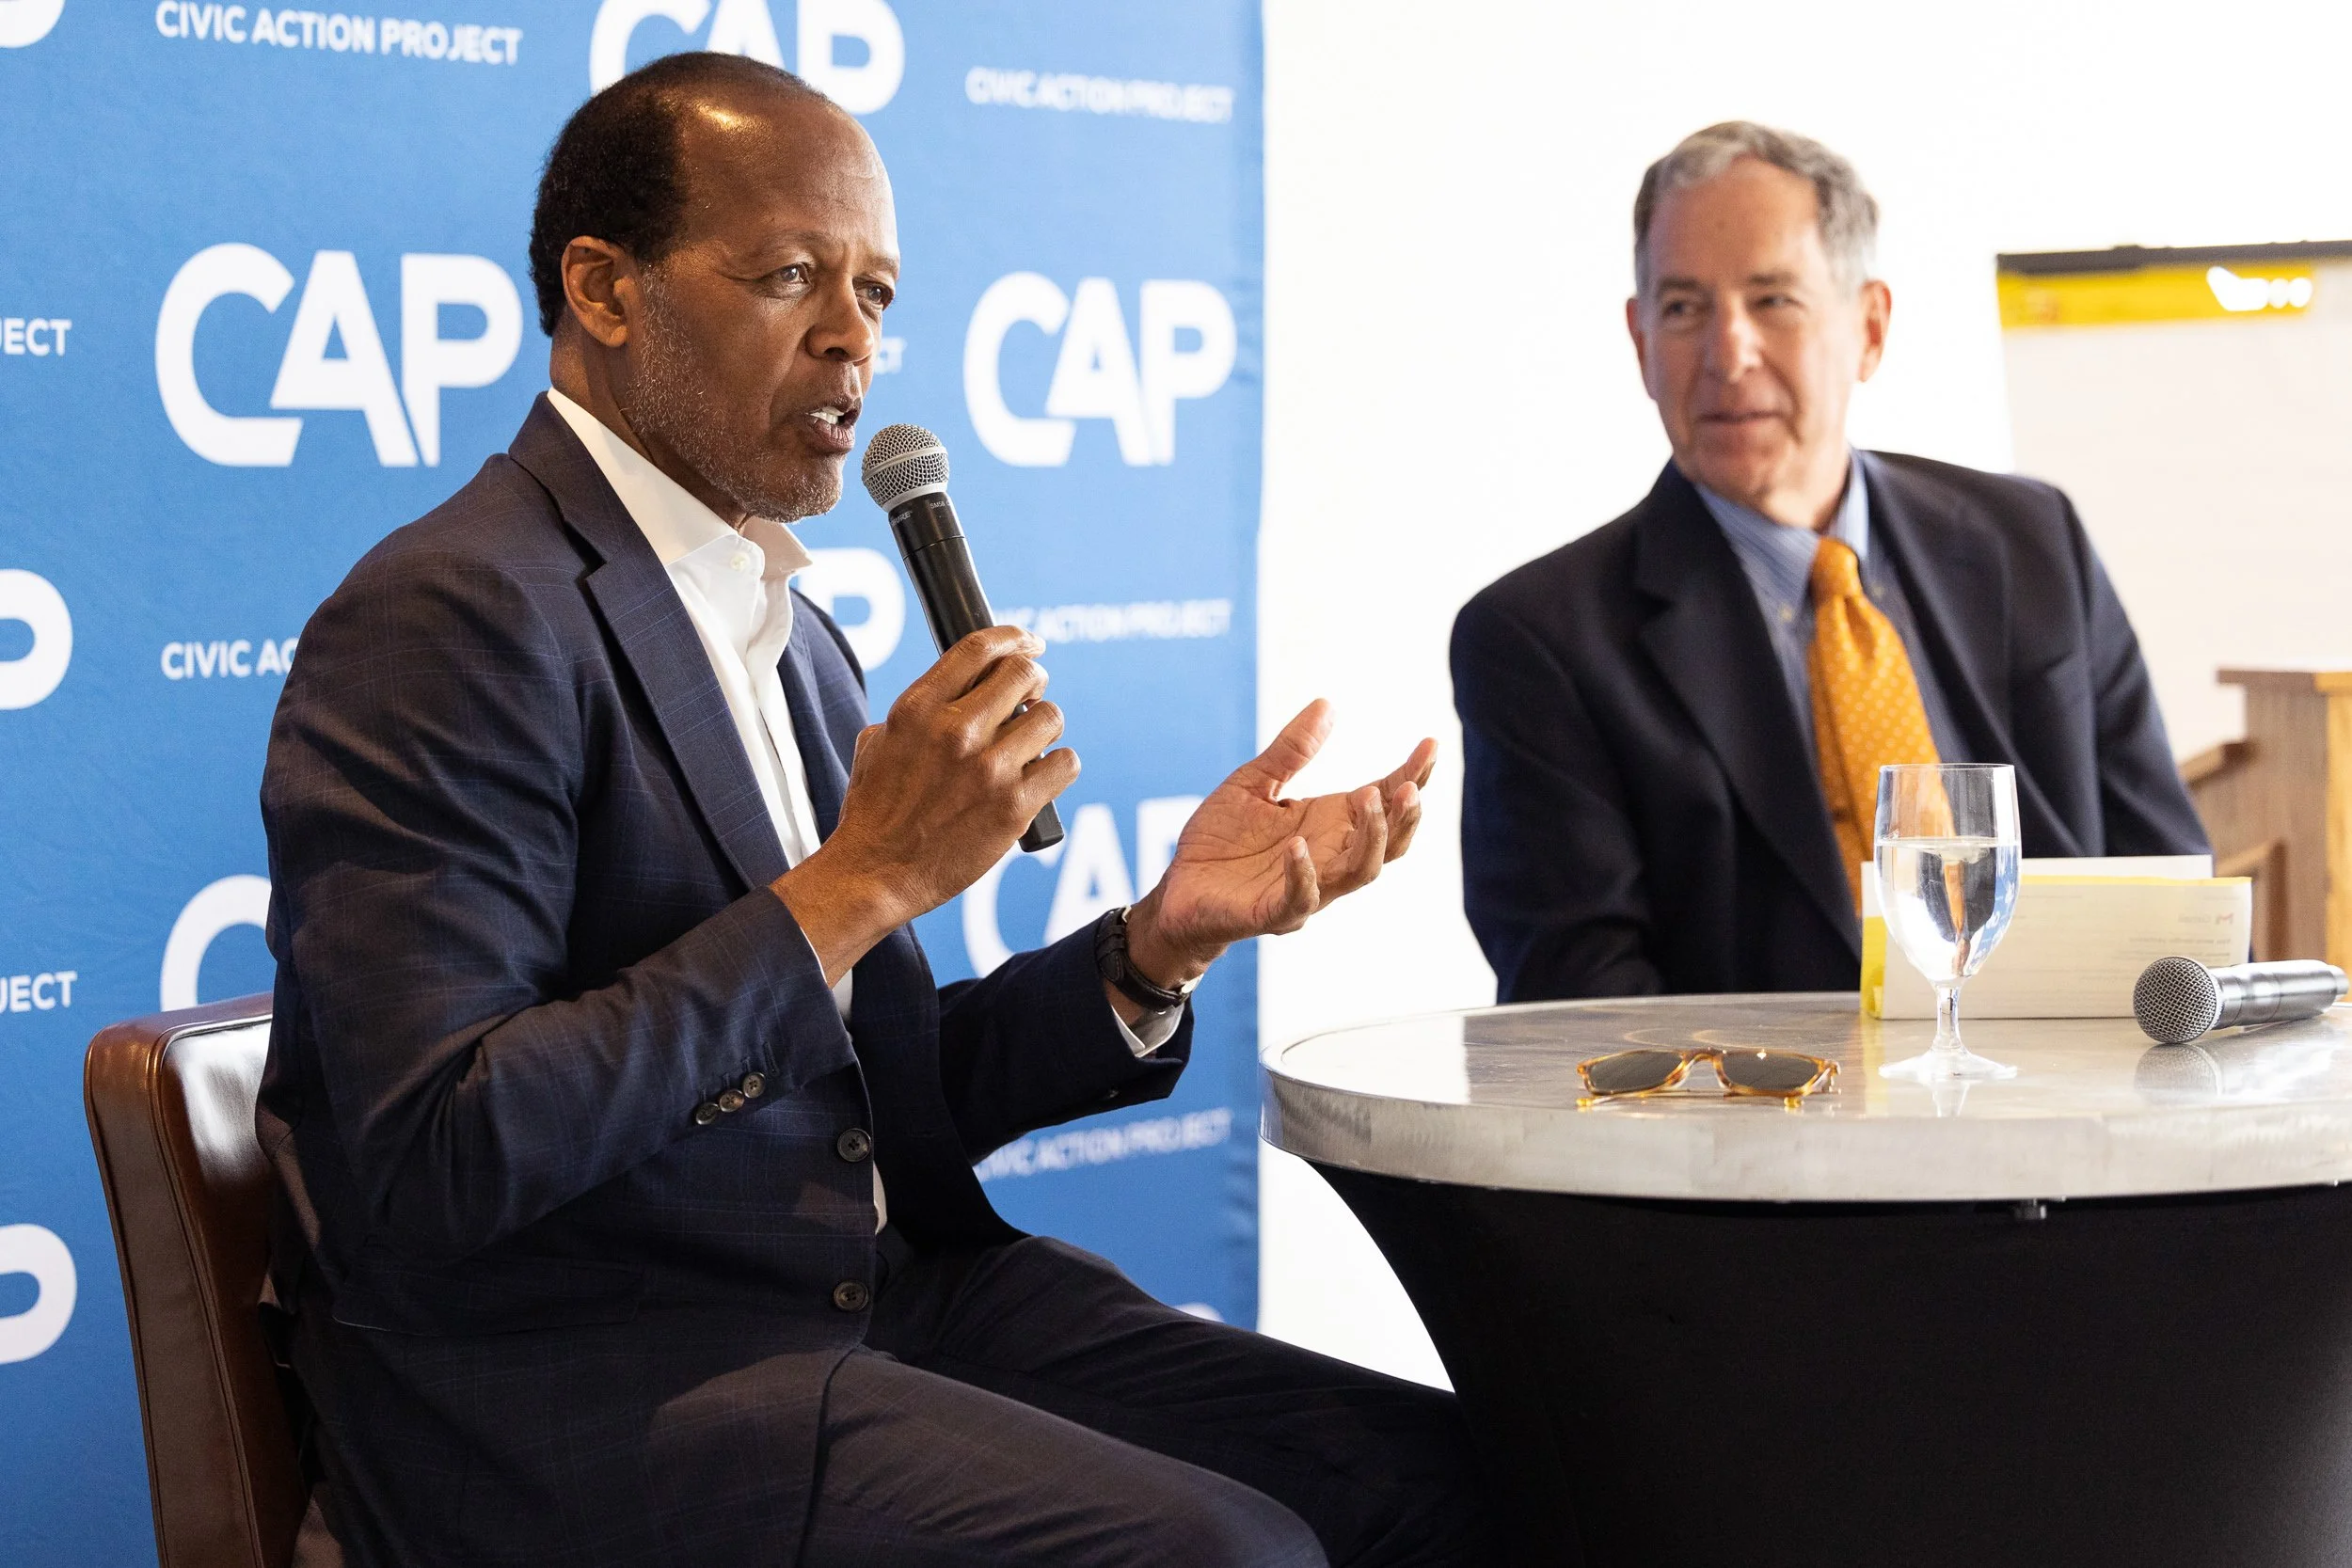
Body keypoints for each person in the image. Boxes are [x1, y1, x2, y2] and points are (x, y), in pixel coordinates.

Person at [258, 53, 1486, 1568]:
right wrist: (856, 882)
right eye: (788, 277)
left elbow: (877, 1100)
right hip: (590, 1383)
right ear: (603, 288)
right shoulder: (453, 609)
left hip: (886, 1299)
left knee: (1460, 1477)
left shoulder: (787, 622)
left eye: (880, 294)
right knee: (1220, 1551)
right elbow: (433, 1153)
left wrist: (1151, 948)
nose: (853, 341)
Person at [1452, 120, 2206, 1004]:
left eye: (1773, 300)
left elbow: (2170, 900)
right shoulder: (1542, 639)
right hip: (1751, 1128)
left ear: (1870, 328)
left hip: (2066, 1104)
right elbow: (1581, 1012)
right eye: (1684, 308)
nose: (1728, 355)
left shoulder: (2032, 544)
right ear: (1640, 343)